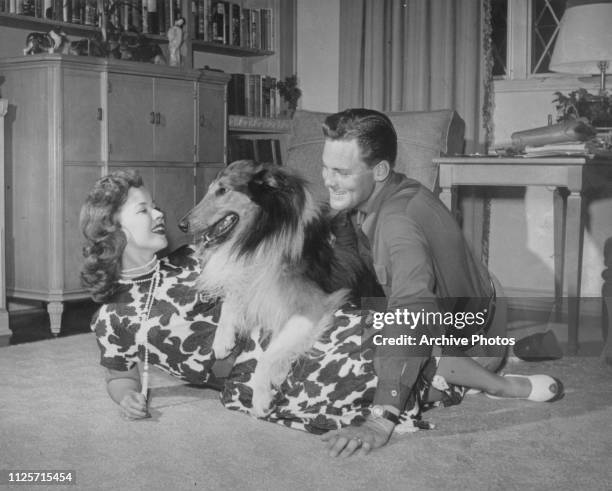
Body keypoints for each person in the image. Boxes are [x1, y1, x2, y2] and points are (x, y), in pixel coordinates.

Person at [81, 168, 562, 458]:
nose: (162, 213)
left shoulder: (192, 258)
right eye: (144, 210)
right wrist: (126, 397)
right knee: (350, 384)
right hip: (241, 379)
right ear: (112, 233)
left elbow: (269, 269)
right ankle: (491, 357)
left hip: (283, 334)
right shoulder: (113, 318)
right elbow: (118, 373)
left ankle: (501, 380)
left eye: (155, 204)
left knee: (374, 332)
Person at [318, 108, 564, 457]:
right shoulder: (385, 193)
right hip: (474, 302)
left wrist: (381, 417)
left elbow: (415, 310)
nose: (328, 179)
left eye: (341, 172)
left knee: (347, 365)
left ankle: (499, 383)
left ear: (380, 170)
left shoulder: (396, 224)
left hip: (470, 337)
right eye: (326, 167)